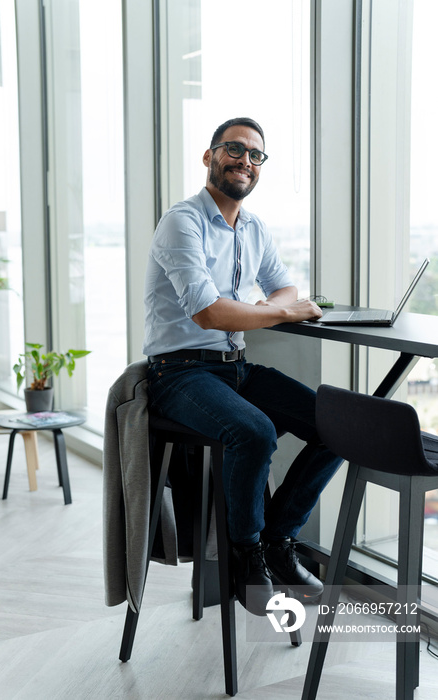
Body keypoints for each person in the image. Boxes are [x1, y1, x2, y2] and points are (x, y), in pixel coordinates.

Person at [143, 117, 342, 616]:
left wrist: (277, 306)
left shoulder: (254, 227)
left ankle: (277, 541)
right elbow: (209, 311)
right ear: (209, 156)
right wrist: (280, 310)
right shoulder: (181, 221)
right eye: (235, 149)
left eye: (256, 155)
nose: (245, 161)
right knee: (253, 432)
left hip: (235, 367)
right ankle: (245, 556)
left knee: (338, 427)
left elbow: (286, 288)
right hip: (179, 372)